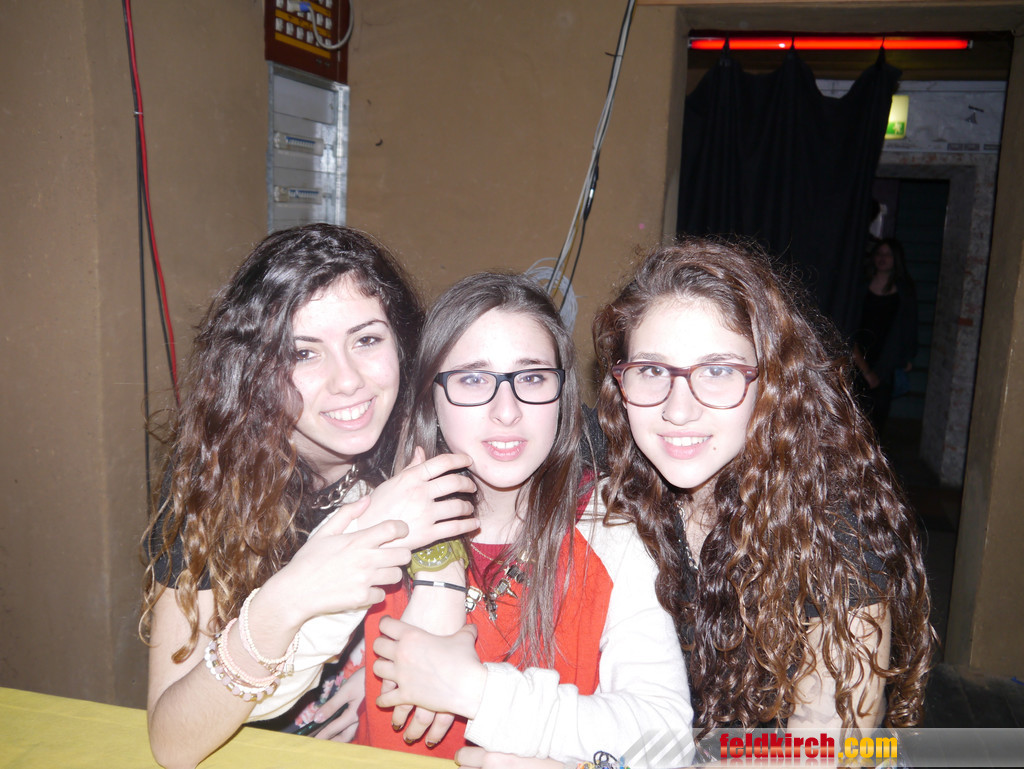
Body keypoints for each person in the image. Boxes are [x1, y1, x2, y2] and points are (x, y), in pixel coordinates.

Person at [141, 224, 478, 769]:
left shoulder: (440, 432)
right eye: (303, 353)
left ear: (401, 341)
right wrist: (289, 597)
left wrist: (383, 661)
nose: (347, 381)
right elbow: (173, 742)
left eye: (366, 340)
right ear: (255, 371)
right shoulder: (216, 479)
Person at [592, 238, 933, 733]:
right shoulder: (606, 467)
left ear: (772, 382)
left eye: (718, 371)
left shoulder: (831, 529)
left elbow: (830, 748)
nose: (677, 410)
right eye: (651, 370)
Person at [355, 272, 693, 768]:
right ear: (431, 398)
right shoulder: (372, 512)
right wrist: (434, 561)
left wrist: (476, 692)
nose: (507, 411)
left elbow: (667, 742)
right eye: (473, 379)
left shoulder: (611, 531)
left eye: (532, 378)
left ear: (562, 395)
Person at [852, 237, 919, 433]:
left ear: (895, 259)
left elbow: (909, 324)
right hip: (859, 355)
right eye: (879, 253)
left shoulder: (904, 291)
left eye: (888, 254)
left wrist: (908, 355)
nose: (882, 258)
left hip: (887, 357)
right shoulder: (861, 285)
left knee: (878, 416)